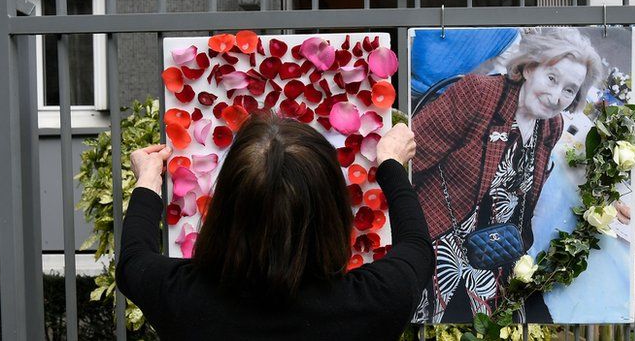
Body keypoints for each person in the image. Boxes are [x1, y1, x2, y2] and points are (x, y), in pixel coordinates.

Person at [115, 113, 432, 340]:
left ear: (225, 208)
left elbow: (132, 260)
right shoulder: (375, 300)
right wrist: (390, 162)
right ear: (332, 210)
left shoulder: (181, 298)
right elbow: (416, 246)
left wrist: (147, 180)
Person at [411, 28, 613, 323]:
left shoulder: (551, 125)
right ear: (529, 67)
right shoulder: (479, 95)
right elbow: (409, 160)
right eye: (552, 78)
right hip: (440, 242)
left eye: (569, 90)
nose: (556, 96)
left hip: (493, 252)